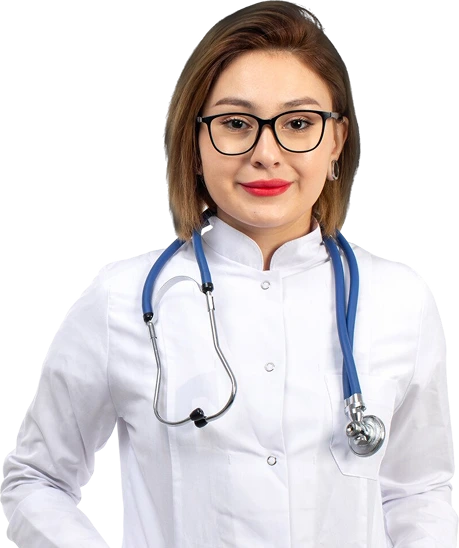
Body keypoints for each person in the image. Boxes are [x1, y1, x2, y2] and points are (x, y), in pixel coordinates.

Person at [1, 1, 456, 546]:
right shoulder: (121, 299)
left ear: (336, 141)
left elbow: (418, 491)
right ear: (194, 143)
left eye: (298, 123)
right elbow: (34, 481)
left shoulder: (400, 300)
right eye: (236, 124)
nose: (267, 153)